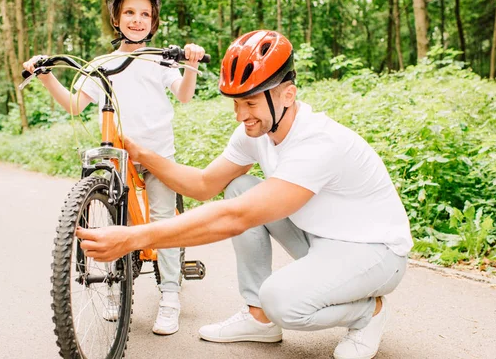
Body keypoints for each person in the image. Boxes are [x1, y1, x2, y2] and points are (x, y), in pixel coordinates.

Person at [76, 30, 413, 359]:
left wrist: (133, 237)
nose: (241, 116)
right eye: (236, 104)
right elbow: (205, 184)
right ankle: (258, 319)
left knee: (282, 301)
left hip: (375, 253)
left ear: (287, 94)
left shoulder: (317, 143)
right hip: (321, 238)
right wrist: (143, 154)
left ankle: (368, 312)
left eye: (250, 102)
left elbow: (236, 218)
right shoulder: (257, 131)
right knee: (238, 186)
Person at [23, 0, 206, 336]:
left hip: (156, 156)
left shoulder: (159, 59)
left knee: (162, 221)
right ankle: (114, 287)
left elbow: (184, 96)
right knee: (112, 222)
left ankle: (170, 296)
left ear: (153, 22)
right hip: (117, 157)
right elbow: (75, 105)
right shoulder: (103, 63)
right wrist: (46, 77)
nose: (137, 19)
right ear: (117, 19)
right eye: (129, 13)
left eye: (144, 14)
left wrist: (190, 63)